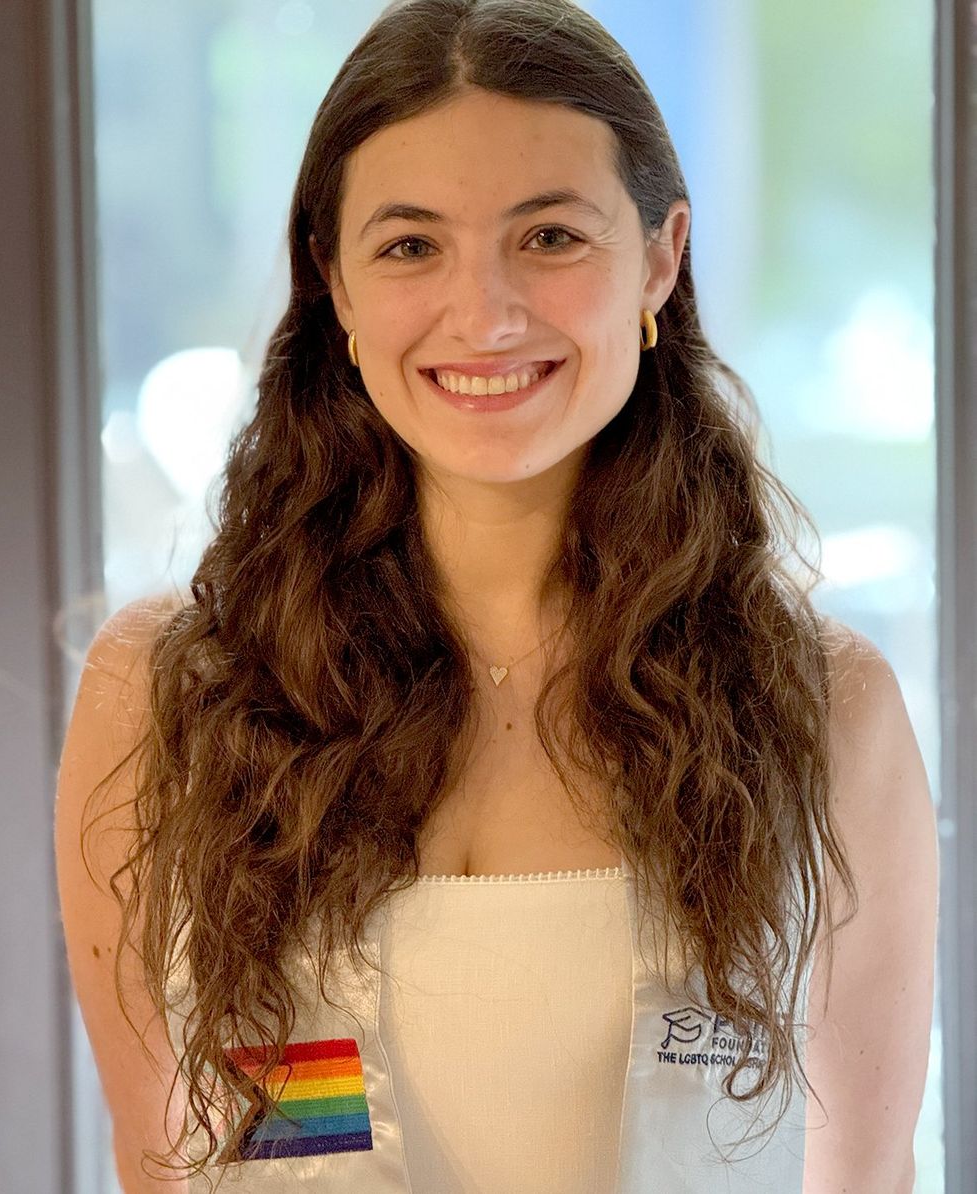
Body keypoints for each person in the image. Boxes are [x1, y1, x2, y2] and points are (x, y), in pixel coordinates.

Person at [55, 0, 939, 1191]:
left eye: (551, 238)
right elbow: (160, 1167)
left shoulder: (819, 709)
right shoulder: (171, 696)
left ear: (659, 257)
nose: (483, 314)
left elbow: (866, 1179)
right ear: (334, 286)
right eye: (410, 246)